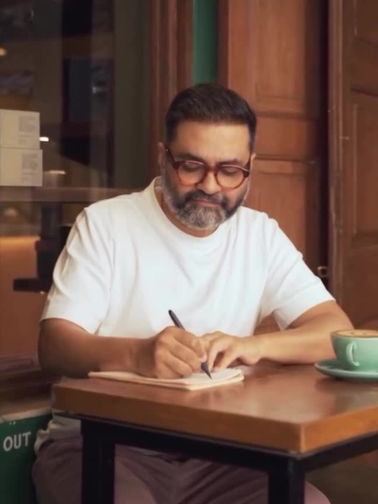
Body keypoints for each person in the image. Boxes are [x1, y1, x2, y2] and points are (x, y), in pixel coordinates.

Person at [33, 83, 352, 504]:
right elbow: (54, 346)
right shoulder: (105, 225)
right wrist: (139, 355)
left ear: (250, 166)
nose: (211, 186)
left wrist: (252, 346)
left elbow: (335, 333)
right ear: (163, 157)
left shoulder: (259, 234)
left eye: (230, 170)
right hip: (98, 443)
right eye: (191, 166)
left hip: (217, 452)